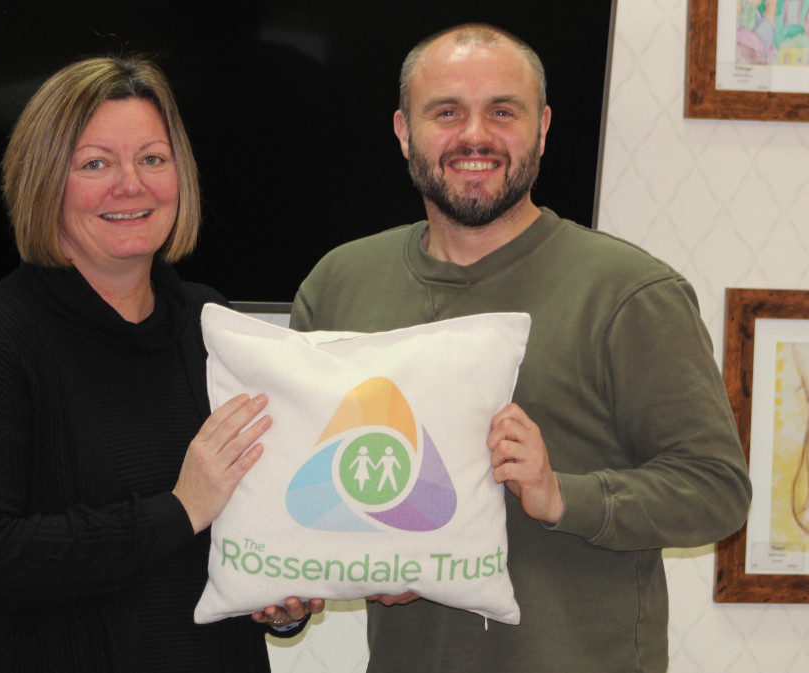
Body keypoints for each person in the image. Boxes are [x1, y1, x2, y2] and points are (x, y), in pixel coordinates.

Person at [289, 24, 751, 673]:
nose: (474, 135)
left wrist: (559, 494)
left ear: (542, 128)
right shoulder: (340, 283)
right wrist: (295, 587)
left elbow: (718, 491)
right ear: (403, 130)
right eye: (446, 112)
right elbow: (304, 487)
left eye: (503, 112)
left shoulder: (628, 293)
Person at [0, 56, 322, 673]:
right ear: (44, 181)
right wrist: (179, 509)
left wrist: (281, 595)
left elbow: (252, 513)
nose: (130, 184)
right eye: (95, 164)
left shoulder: (212, 322)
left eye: (153, 159)